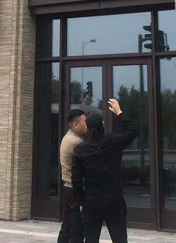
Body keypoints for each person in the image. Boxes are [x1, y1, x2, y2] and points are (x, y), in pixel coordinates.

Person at [71, 99, 137, 243]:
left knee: (91, 238)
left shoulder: (80, 150)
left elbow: (76, 179)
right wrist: (119, 113)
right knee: (120, 238)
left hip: (92, 201)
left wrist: (79, 202)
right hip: (114, 200)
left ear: (87, 128)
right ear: (102, 125)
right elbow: (132, 132)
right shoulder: (113, 141)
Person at [58, 109, 87, 243]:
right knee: (77, 227)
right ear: (76, 125)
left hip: (69, 187)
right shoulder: (76, 142)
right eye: (85, 122)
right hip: (75, 188)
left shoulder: (69, 136)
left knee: (68, 224)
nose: (87, 125)